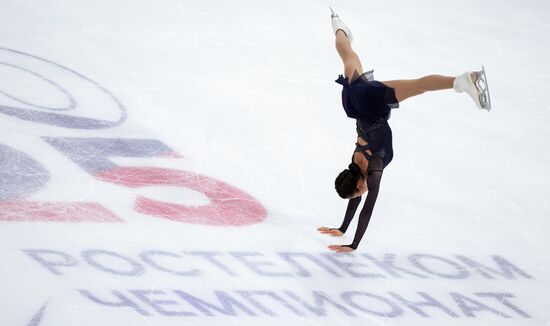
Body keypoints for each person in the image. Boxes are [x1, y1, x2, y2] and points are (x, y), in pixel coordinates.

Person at [317, 8, 491, 253]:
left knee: (418, 86)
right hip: (355, 104)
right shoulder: (356, 167)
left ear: (359, 186)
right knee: (347, 55)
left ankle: (462, 81)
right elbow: (357, 197)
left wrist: (353, 244)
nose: (359, 195)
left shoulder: (374, 170)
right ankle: (338, 25)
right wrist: (343, 228)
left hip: (370, 104)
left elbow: (367, 207)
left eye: (356, 193)